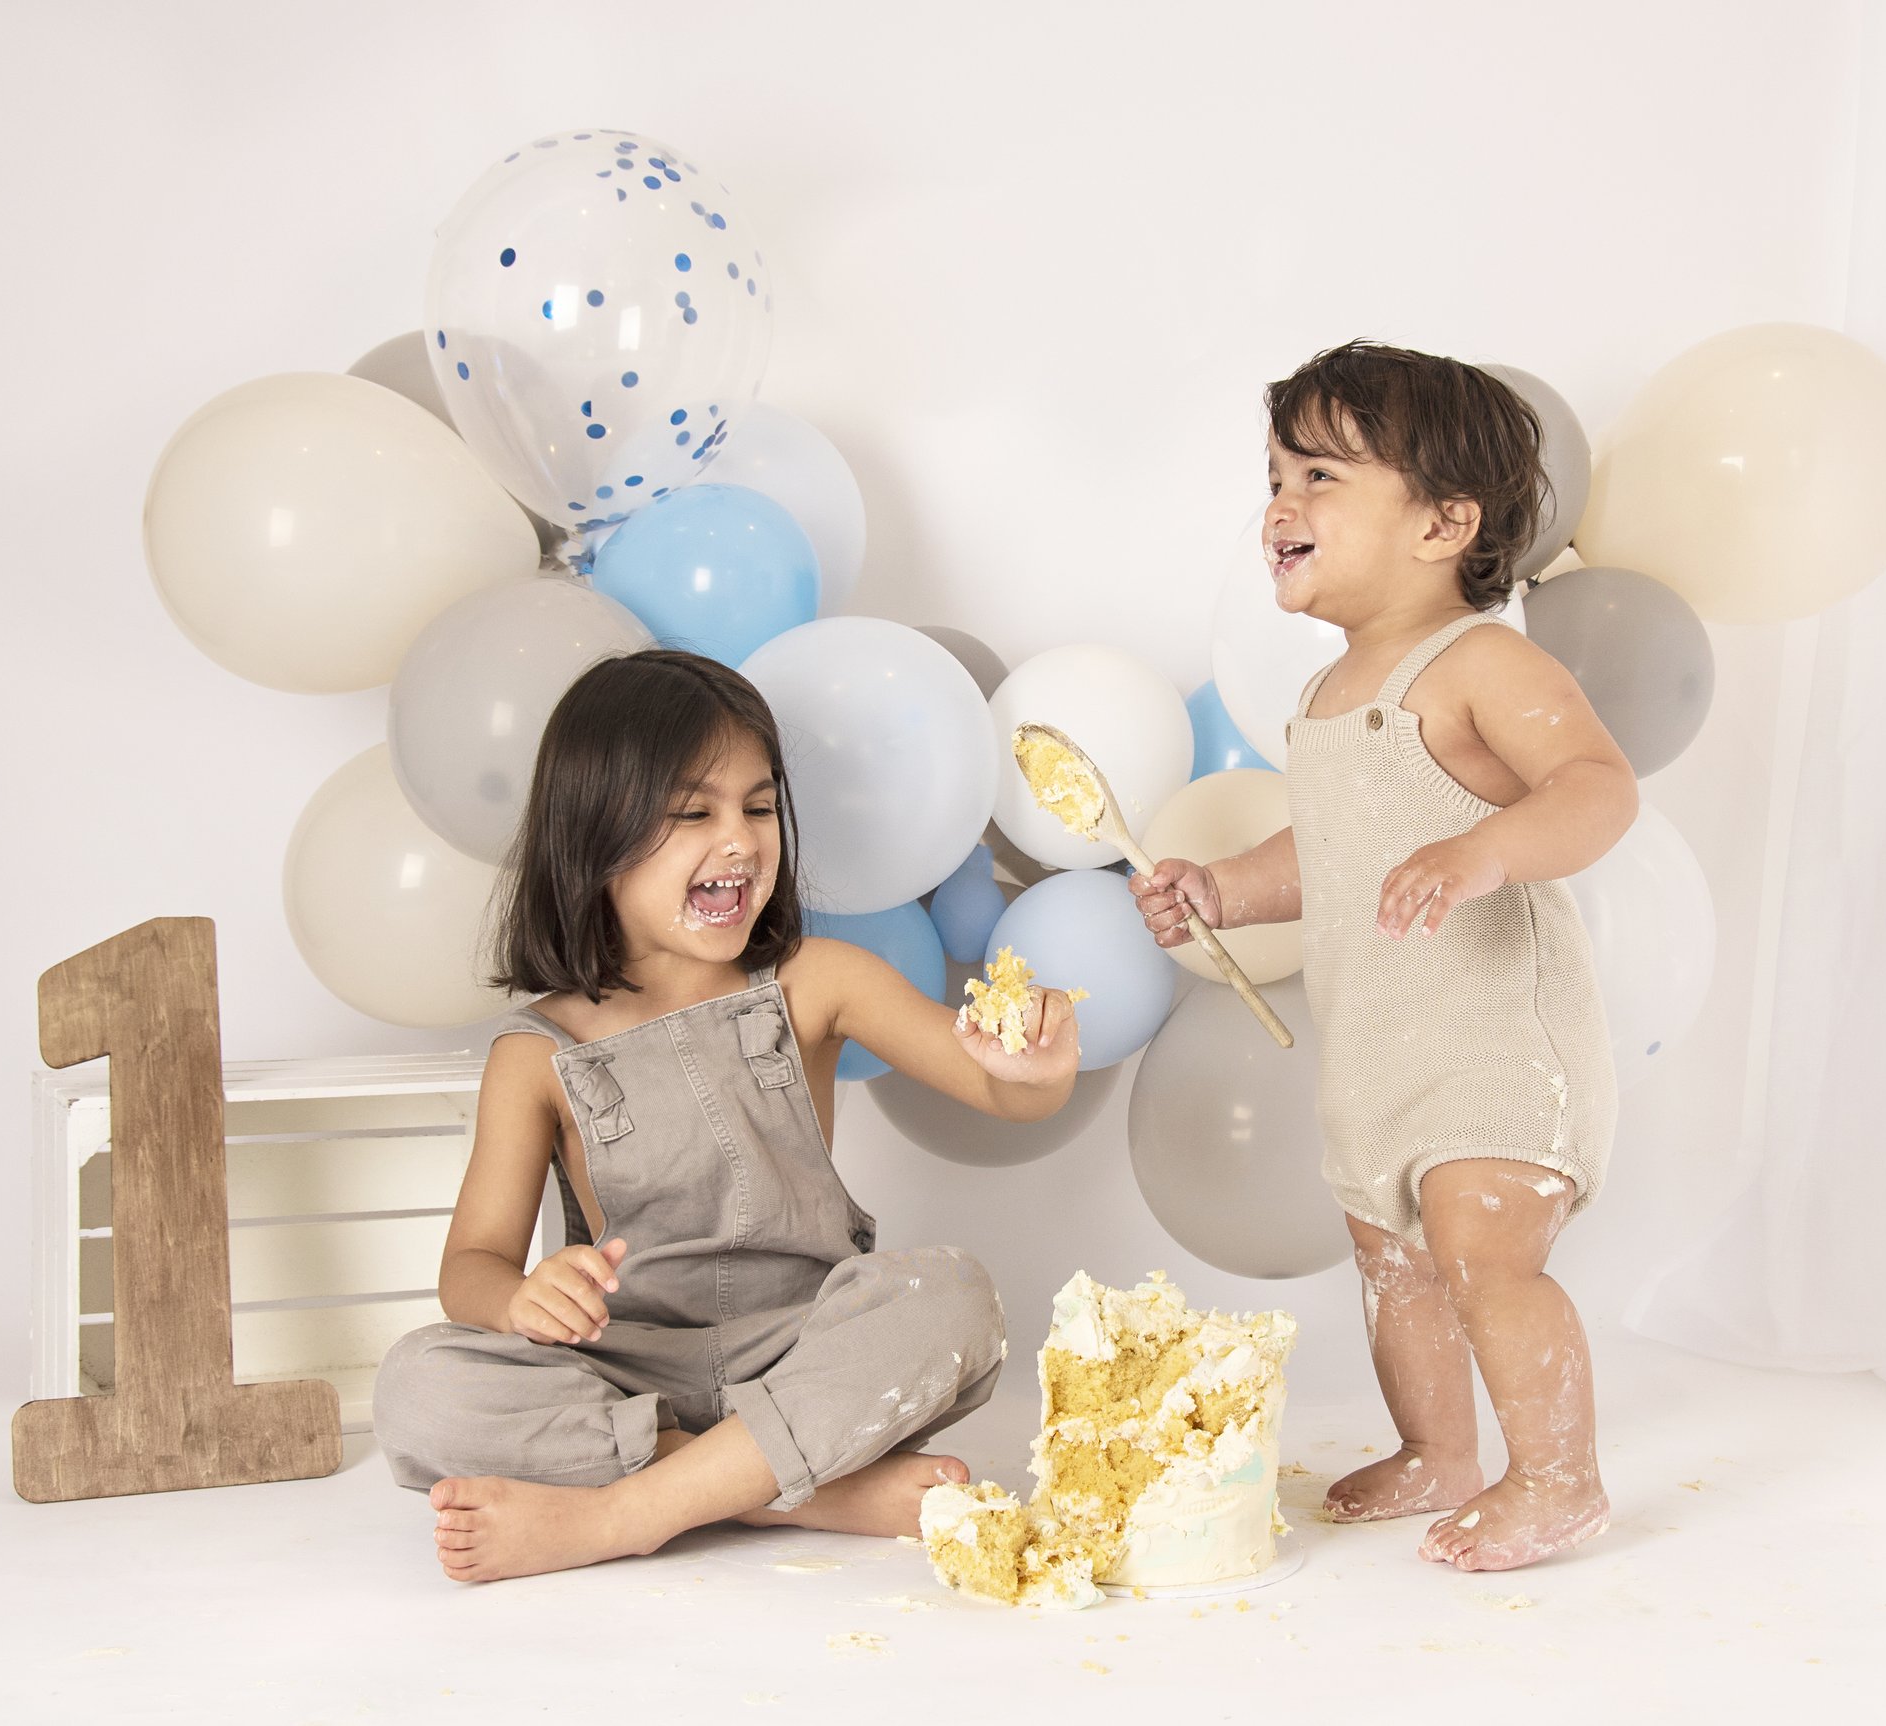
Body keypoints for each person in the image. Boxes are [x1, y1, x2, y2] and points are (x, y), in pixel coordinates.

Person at [372, 649, 1080, 1583]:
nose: (741, 842)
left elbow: (1000, 1089)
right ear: (595, 835)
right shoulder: (535, 1056)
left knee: (955, 1299)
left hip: (799, 1348)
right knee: (417, 1389)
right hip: (628, 1369)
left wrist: (1037, 1067)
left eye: (757, 806)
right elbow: (470, 1267)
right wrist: (516, 1299)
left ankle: (624, 1514)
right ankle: (799, 1491)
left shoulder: (819, 982)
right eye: (693, 814)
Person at [1131, 341, 1637, 1573]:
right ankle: (1437, 1451)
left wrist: (1484, 850)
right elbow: (1334, 846)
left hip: (1490, 1046)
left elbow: (1597, 790)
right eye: (1273, 473)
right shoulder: (1323, 698)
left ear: (1444, 521)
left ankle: (1559, 1476)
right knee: (1393, 1260)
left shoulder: (1480, 664)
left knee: (1477, 1250)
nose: (1279, 502)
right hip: (1382, 1051)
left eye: (1319, 474)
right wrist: (1225, 889)